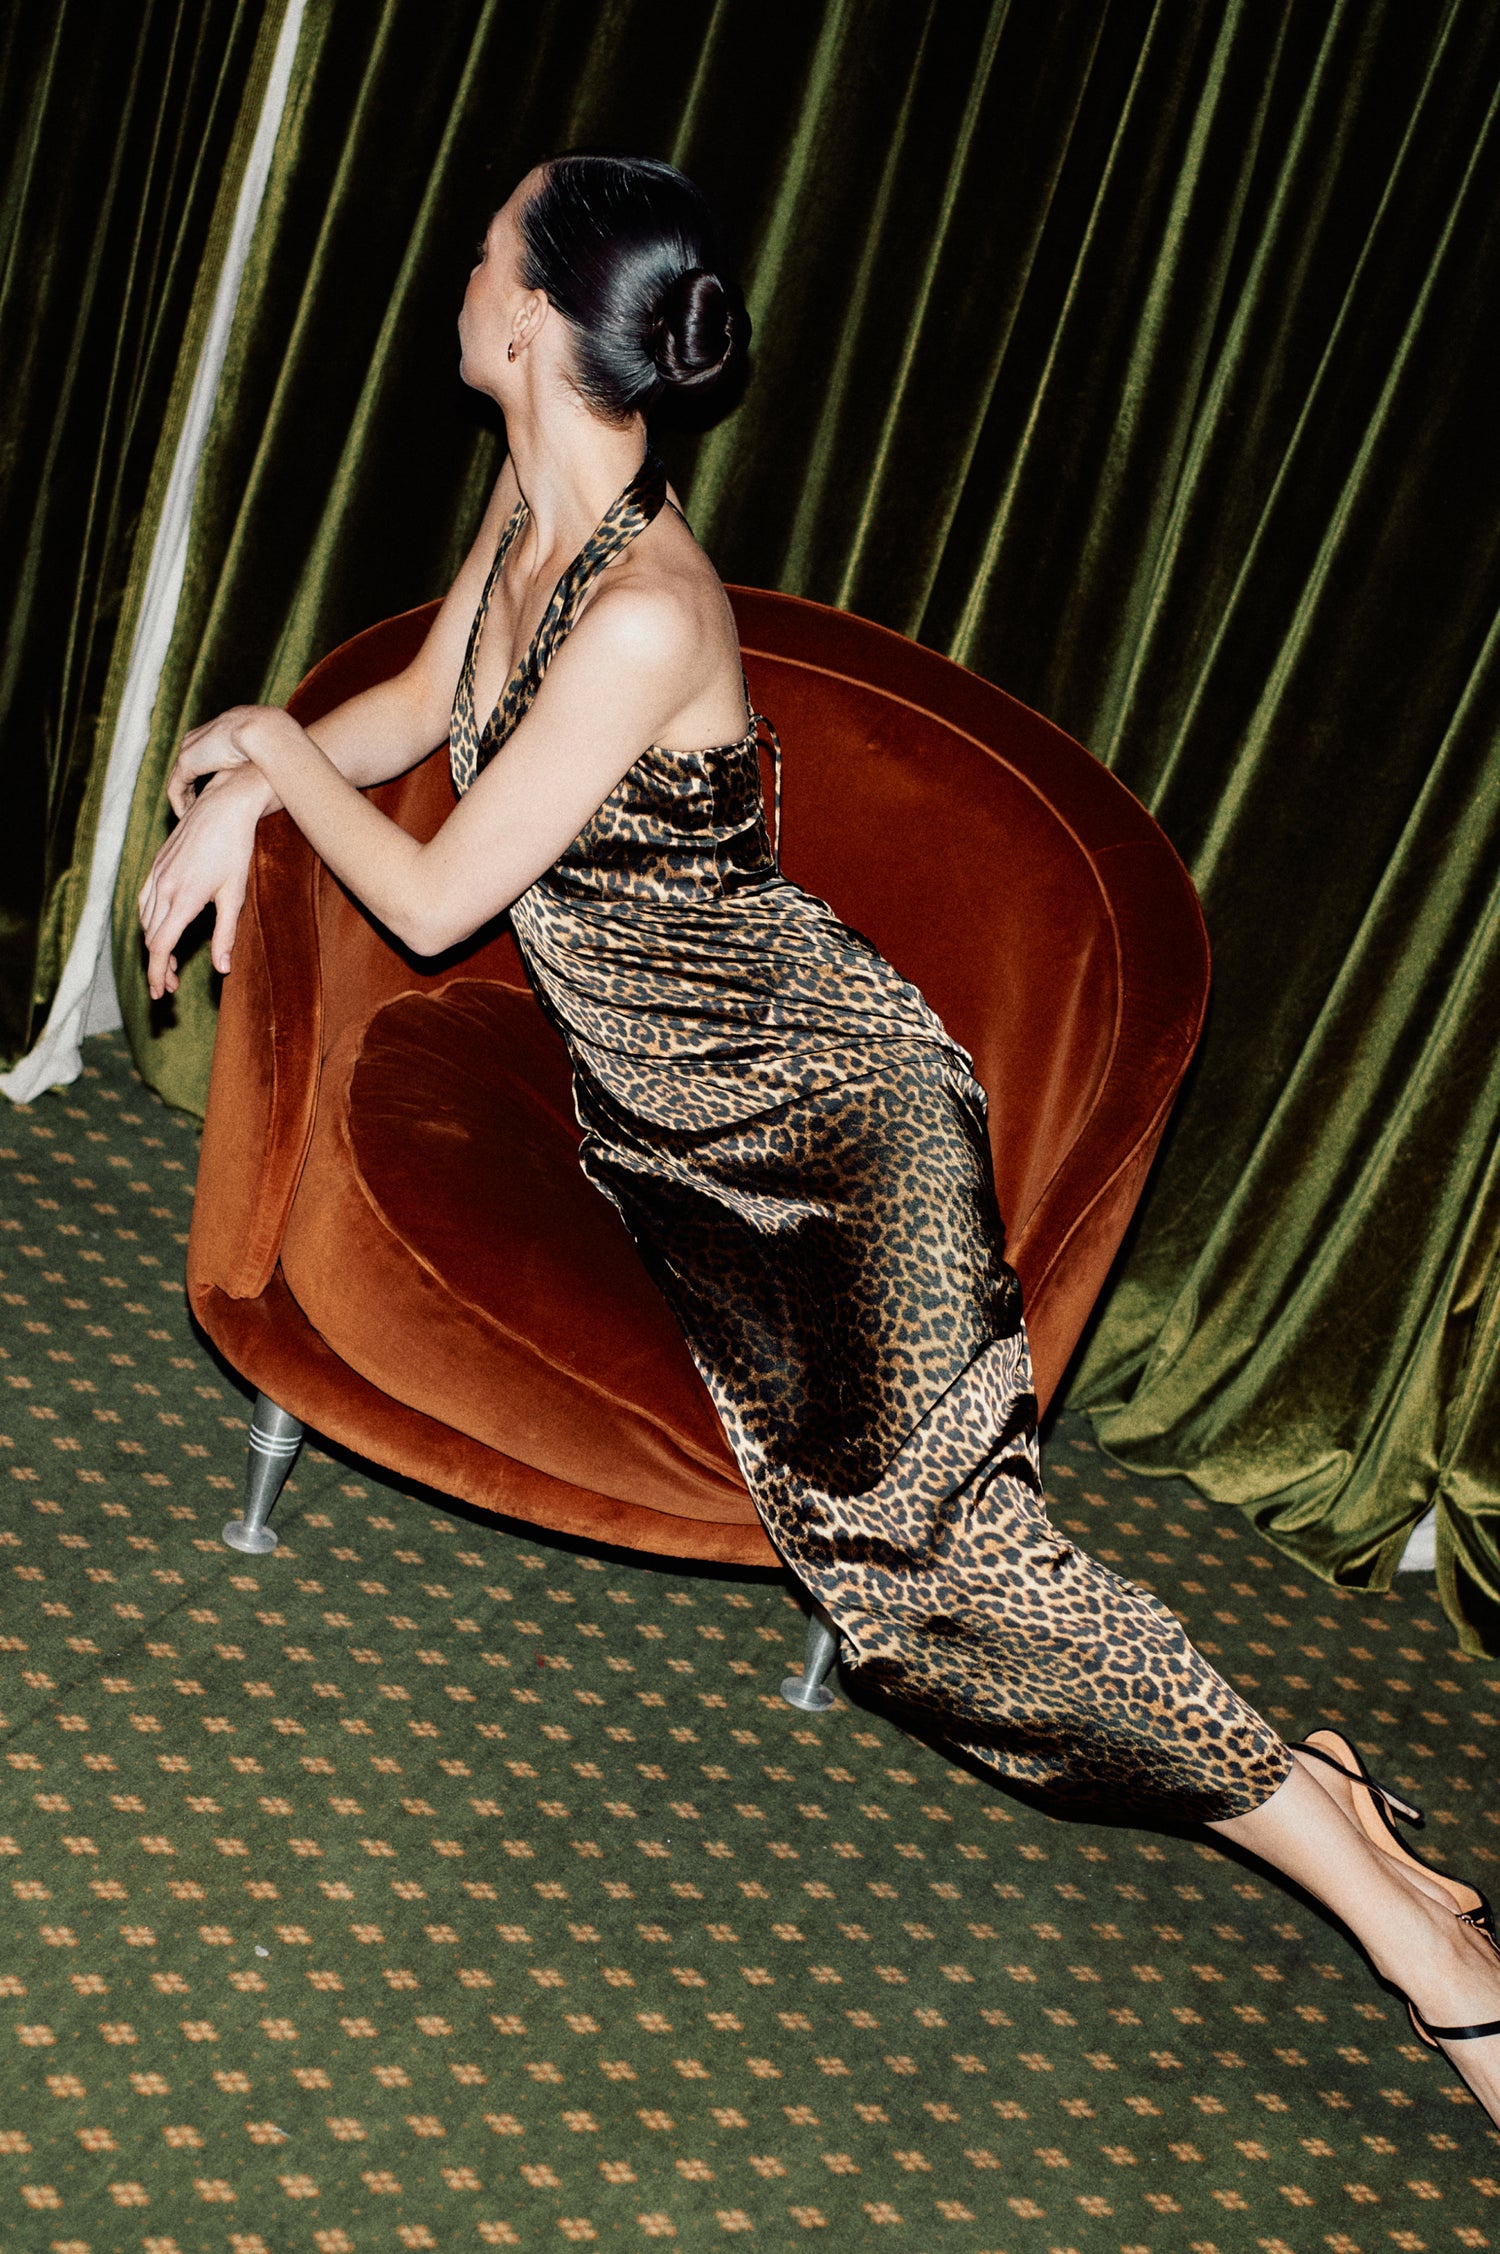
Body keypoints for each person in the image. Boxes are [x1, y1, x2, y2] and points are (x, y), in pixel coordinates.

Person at [138, 150, 1500, 2119]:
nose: (463, 271)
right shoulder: (533, 498)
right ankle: (1343, 1817)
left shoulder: (642, 611)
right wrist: (254, 786)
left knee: (942, 1597)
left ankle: (1412, 1928)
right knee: (916, 1580)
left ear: (535, 319)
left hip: (833, 1132)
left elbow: (431, 901)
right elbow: (419, 711)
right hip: (665, 1136)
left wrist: (263, 749)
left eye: (486, 251)